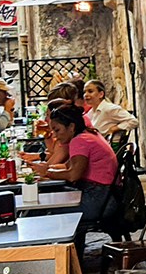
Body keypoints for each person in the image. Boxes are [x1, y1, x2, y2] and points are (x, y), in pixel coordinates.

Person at [43, 104, 118, 255]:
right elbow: (68, 167)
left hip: (98, 201)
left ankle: (60, 257)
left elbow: (73, 175)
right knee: (51, 197)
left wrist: (47, 173)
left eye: (57, 130)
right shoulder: (89, 135)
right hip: (108, 196)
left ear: (71, 126)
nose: (55, 135)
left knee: (47, 211)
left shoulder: (80, 141)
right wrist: (47, 170)